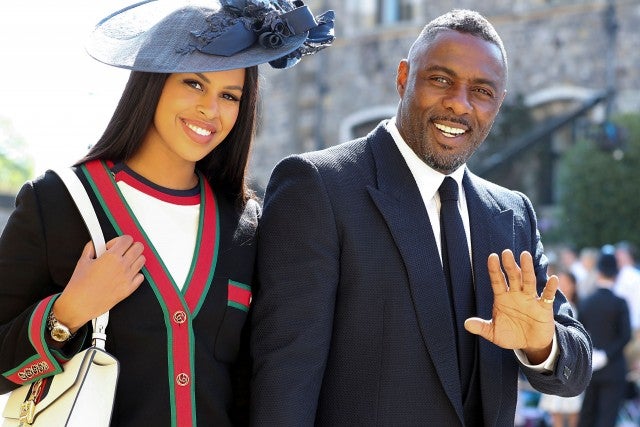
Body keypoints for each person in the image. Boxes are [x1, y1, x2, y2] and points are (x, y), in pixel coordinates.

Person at [250, 9, 592, 426]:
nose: (458, 104)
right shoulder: (319, 187)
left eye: (482, 91)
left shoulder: (511, 214)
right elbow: (284, 383)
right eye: (441, 80)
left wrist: (541, 344)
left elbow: (575, 370)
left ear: (498, 103)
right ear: (402, 78)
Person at [0, 0, 334, 426]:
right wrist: (66, 315)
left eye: (229, 96)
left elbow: (259, 380)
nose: (210, 111)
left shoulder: (246, 225)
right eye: (194, 84)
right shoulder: (57, 203)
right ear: (153, 82)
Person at [578, 245, 631, 427]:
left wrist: (594, 354)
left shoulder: (586, 302)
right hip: (614, 368)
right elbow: (625, 336)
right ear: (615, 274)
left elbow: (580, 334)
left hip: (590, 369)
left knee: (587, 417)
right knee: (607, 419)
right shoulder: (620, 303)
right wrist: (606, 355)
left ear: (598, 271)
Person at [538, 270, 583, 427]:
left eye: (566, 282)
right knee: (554, 407)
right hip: (555, 359)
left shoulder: (578, 307)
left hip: (573, 362)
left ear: (573, 286)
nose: (563, 286)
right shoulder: (551, 306)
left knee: (573, 408)